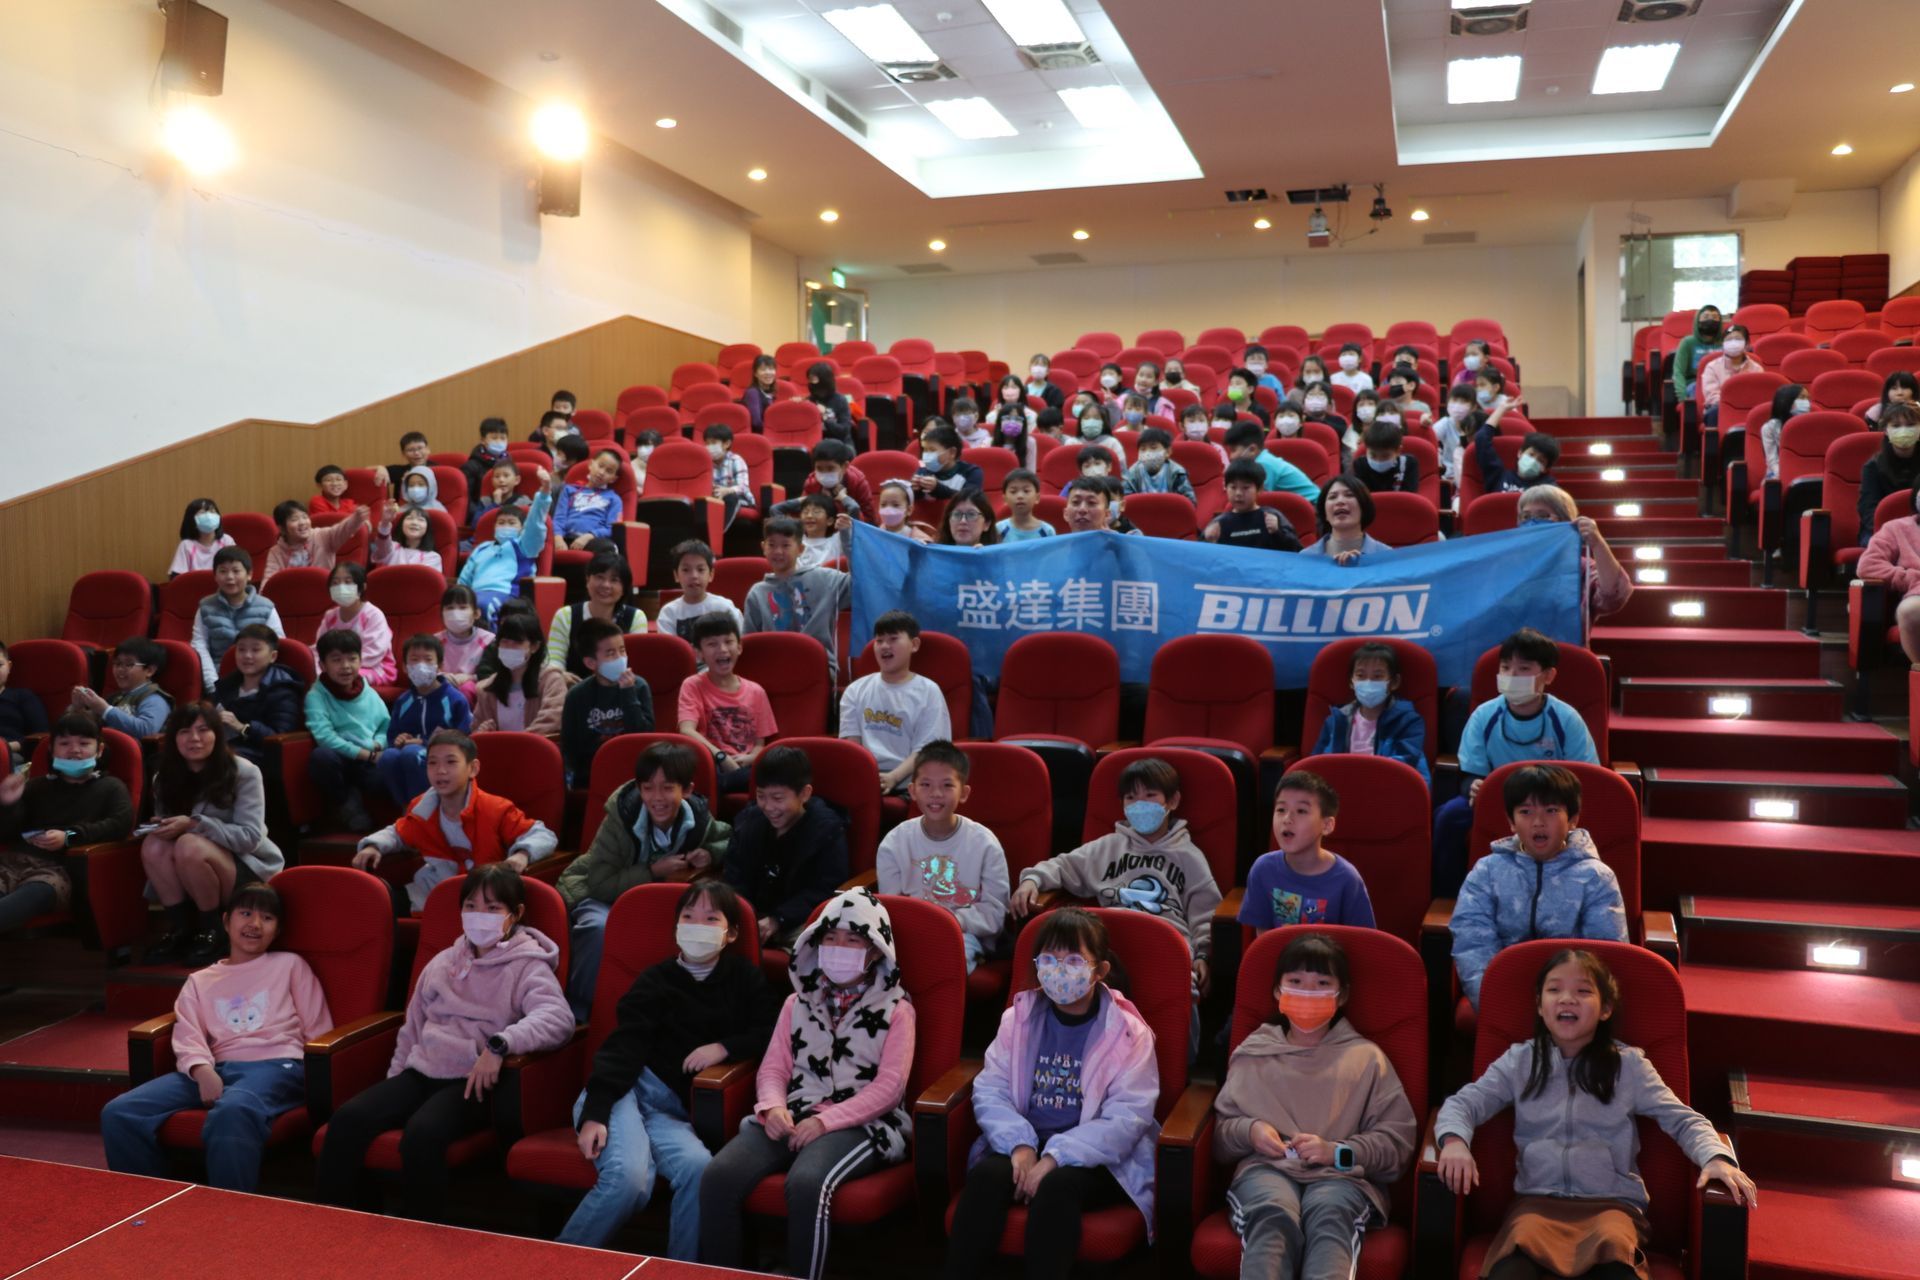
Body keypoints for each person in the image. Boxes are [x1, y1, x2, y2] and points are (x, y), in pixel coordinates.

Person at [1435, 948, 1756, 1280]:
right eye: (1554, 989)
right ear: (1540, 1006)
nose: (1567, 999)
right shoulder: (1520, 1061)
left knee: (1615, 1259)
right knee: (1510, 1267)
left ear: (1605, 1009)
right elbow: (1463, 1104)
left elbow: (1683, 1119)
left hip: (1611, 1207)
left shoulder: (1628, 1066)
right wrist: (1455, 1141)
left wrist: (1716, 1157)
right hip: (1536, 1205)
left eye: (1583, 991)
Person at [315, 864, 572, 1221]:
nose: (479, 915)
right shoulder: (442, 961)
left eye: (492, 908)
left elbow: (559, 1020)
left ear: (515, 914)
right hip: (422, 1070)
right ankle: (343, 1225)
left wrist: (501, 1044)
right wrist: (393, 1085)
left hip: (472, 1081)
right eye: (471, 906)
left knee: (423, 1134)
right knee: (347, 1120)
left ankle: (419, 1236)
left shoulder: (528, 964)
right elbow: (412, 1028)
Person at [699, 889, 915, 1280]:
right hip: (794, 1112)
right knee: (718, 1177)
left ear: (875, 951)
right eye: (830, 938)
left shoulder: (897, 1011)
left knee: (807, 1182)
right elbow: (772, 1069)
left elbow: (890, 1088)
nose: (839, 948)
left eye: (853, 940)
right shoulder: (795, 1003)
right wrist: (772, 1107)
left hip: (864, 1125)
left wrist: (826, 1122)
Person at [558, 881, 779, 1256]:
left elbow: (770, 1029)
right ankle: (558, 1263)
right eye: (688, 917)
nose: (697, 926)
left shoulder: (744, 978)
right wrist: (596, 1112)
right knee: (629, 1180)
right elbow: (622, 1048)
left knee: (699, 1169)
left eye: (710, 919)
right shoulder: (655, 980)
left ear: (731, 933)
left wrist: (723, 1047)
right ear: (676, 928)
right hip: (624, 1093)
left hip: (669, 1110)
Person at [940, 908, 1158, 1280]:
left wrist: (1056, 1156)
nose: (1059, 970)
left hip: (1098, 1158)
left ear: (1099, 970)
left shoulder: (1128, 1032)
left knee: (1056, 1189)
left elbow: (1127, 1118)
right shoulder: (1018, 1018)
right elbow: (991, 1089)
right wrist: (1020, 1145)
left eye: (1073, 960)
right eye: (1049, 960)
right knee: (987, 1177)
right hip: (1025, 1141)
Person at [100, 883, 332, 1192]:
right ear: (226, 921)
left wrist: (318, 1076)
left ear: (277, 930)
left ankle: (227, 1211)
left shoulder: (290, 965)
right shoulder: (200, 980)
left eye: (267, 918)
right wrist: (202, 1071)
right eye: (245, 914)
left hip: (278, 1066)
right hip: (217, 1067)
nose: (255, 924)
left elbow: (319, 1028)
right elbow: (188, 1033)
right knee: (119, 1112)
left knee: (233, 1110)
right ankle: (152, 1201)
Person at [1213, 933, 1418, 1280]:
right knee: (1272, 1213)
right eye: (1296, 982)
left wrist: (1337, 1151)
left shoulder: (1367, 1059)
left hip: (1340, 1178)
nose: (1307, 993)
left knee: (1330, 1214)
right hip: (1267, 1170)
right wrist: (1250, 1131)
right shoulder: (1254, 1052)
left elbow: (1396, 1146)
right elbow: (1220, 1139)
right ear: (1277, 990)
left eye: (1322, 984)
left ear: (1342, 995)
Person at [1007, 755, 1220, 998]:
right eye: (1131, 798)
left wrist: (1204, 955)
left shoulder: (1189, 856)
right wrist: (1032, 879)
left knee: (1182, 989)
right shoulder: (1108, 846)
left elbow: (1205, 913)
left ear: (1172, 801)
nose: (1140, 804)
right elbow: (1063, 865)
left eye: (1150, 795)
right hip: (1112, 940)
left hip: (1165, 942)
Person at [558, 740, 734, 1018]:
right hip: (600, 895)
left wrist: (710, 853)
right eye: (648, 788)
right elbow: (600, 884)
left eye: (667, 788)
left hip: (651, 903)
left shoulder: (698, 818)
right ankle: (581, 1012)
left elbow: (730, 839)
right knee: (599, 928)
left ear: (687, 790)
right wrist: (653, 871)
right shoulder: (620, 817)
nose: (657, 798)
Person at [1432, 630, 1601, 897]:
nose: (1512, 676)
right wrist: (1473, 787)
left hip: (1551, 804)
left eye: (1523, 669)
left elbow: (1586, 777)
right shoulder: (1484, 715)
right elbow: (1470, 774)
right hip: (1497, 799)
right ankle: (1448, 897)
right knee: (1449, 816)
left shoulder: (1566, 718)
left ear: (1548, 675)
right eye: (1505, 668)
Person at [1450, 766, 1628, 1010]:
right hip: (1502, 1000)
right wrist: (1494, 1004)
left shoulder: (1596, 877)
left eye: (1551, 811)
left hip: (1572, 1007)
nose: (1538, 822)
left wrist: (1567, 1009)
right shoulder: (1487, 872)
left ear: (1573, 820)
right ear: (1511, 822)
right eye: (1525, 812)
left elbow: (1605, 955)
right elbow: (1472, 945)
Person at [354, 730, 558, 915]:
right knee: (369, 904)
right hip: (433, 892)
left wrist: (522, 854)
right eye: (432, 763)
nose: (440, 771)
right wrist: (374, 846)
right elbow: (397, 833)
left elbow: (543, 835)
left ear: (473, 768)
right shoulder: (422, 809)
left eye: (451, 762)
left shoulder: (495, 808)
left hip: (482, 899)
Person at [141, 702, 285, 964]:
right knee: (154, 844)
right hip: (191, 868)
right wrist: (165, 826)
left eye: (203, 730)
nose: (194, 738)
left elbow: (250, 837)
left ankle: (214, 931)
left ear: (217, 735)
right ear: (173, 738)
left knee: (189, 844)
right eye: (185, 731)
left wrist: (195, 824)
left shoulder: (244, 772)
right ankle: (181, 929)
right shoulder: (164, 777)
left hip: (244, 866)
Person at [874, 740, 1008, 973]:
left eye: (947, 785)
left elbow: (994, 914)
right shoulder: (894, 842)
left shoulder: (985, 844)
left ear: (963, 793)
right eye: (925, 785)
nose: (935, 794)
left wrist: (950, 921)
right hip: (910, 932)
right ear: (912, 791)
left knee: (942, 964)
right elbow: (892, 909)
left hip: (965, 933)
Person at [0, 714, 133, 936]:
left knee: (36, 893)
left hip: (57, 871)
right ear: (51, 750)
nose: (74, 750)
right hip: (12, 862)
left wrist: (69, 837)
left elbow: (120, 824)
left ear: (99, 750)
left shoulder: (111, 787)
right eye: (64, 744)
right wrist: (8, 804)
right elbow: (7, 831)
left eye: (84, 743)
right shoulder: (36, 786)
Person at [722, 746, 849, 950]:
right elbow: (734, 876)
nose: (768, 807)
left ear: (804, 794)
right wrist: (745, 915)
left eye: (778, 798)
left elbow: (824, 888)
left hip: (799, 919)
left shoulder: (826, 830)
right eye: (761, 796)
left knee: (817, 946)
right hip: (748, 915)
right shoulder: (748, 822)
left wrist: (778, 919)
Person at [1239, 773, 1375, 932]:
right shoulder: (1263, 869)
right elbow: (1263, 936)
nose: (1287, 819)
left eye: (1301, 811)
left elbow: (1363, 940)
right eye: (1281, 809)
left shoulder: (1347, 879)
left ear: (1327, 825)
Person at [839, 611, 952, 793]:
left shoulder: (928, 691)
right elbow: (851, 747)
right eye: (879, 640)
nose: (884, 646)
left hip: (911, 783)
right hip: (864, 778)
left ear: (914, 645)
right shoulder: (855, 690)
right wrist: (866, 777)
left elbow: (928, 750)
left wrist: (894, 777)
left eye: (893, 639)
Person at [677, 613, 777, 793]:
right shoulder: (692, 685)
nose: (722, 649)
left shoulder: (756, 691)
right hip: (710, 764)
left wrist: (751, 758)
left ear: (739, 647)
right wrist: (721, 757)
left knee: (779, 771)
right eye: (712, 644)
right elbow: (686, 730)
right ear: (699, 653)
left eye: (728, 642)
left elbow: (759, 744)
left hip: (746, 766)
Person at [304, 628, 392, 833]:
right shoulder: (316, 695)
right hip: (341, 758)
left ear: (360, 661)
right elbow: (325, 737)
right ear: (322, 665)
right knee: (321, 757)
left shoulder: (366, 689)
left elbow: (385, 725)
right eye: (336, 660)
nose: (346, 666)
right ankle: (346, 804)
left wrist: (377, 744)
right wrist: (367, 755)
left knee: (388, 773)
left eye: (352, 659)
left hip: (369, 757)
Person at [1308, 642, 1430, 783]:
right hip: (1342, 787)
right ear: (1351, 682)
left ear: (1394, 682)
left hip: (1388, 786)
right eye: (1361, 675)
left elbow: (1404, 766)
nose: (1368, 682)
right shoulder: (1335, 721)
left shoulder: (1409, 721)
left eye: (1377, 676)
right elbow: (1316, 763)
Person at [743, 516, 850, 676]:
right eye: (772, 545)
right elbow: (749, 642)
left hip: (817, 667)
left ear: (800, 549)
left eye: (786, 545)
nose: (778, 551)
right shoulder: (757, 593)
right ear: (763, 547)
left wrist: (848, 540)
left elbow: (862, 585)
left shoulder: (825, 579)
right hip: (774, 669)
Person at [377, 636, 473, 808]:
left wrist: (424, 742)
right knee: (388, 757)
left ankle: (426, 810)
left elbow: (463, 735)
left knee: (411, 753)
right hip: (408, 752)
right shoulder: (403, 701)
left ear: (440, 666)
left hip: (443, 755)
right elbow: (392, 734)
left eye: (428, 660)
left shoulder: (455, 699)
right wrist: (398, 740)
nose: (421, 665)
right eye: (414, 660)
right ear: (405, 667)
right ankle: (408, 808)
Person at [560, 617, 655, 787]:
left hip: (634, 772)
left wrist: (628, 692)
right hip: (591, 774)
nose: (620, 658)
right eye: (611, 653)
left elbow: (643, 737)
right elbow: (570, 748)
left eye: (622, 650)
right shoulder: (576, 696)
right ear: (591, 662)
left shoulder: (639, 686)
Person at [1517, 486, 1633, 624]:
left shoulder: (1582, 568)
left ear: (1564, 522)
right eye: (1526, 517)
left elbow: (1612, 597)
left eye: (1543, 516)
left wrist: (1597, 543)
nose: (1533, 523)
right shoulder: (1507, 564)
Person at [458, 467, 558, 623]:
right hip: (475, 594)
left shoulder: (524, 545)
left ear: (521, 528)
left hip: (507, 595)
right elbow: (465, 579)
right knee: (454, 606)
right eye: (501, 522)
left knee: (482, 607)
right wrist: (458, 596)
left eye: (511, 523)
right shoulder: (482, 548)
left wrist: (544, 494)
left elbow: (535, 522)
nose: (505, 526)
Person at [208, 624, 304, 771]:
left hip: (259, 755)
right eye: (241, 649)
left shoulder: (282, 689)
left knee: (218, 761)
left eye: (255, 650)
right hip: (222, 747)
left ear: (273, 656)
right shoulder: (227, 685)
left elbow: (280, 737)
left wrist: (242, 727)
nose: (247, 655)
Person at [192, 547, 285, 688]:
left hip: (259, 679)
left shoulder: (266, 607)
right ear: (215, 576)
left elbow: (277, 643)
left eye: (236, 571)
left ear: (249, 574)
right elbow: (200, 646)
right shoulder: (205, 607)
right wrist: (213, 683)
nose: (229, 577)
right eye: (223, 571)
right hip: (219, 677)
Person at [546, 553, 646, 684]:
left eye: (614, 580)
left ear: (624, 588)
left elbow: (636, 666)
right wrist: (560, 675)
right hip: (572, 689)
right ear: (588, 580)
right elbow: (554, 661)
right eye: (600, 577)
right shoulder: (565, 615)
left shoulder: (636, 617)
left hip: (620, 689)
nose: (606, 585)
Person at [469, 613, 567, 739]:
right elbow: (476, 732)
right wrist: (483, 733)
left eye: (517, 642)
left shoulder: (551, 681)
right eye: (504, 641)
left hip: (535, 749)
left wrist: (518, 743)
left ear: (534, 646)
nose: (509, 647)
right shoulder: (487, 689)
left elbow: (552, 719)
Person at [1858, 472, 1920, 664]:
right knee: (1909, 611)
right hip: (1918, 595)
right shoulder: (1896, 528)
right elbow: (1868, 565)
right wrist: (1909, 578)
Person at [69, 637, 171, 738]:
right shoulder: (114, 697)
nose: (120, 669)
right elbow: (90, 727)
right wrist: (78, 709)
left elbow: (146, 730)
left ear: (149, 670)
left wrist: (106, 710)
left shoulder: (155, 699)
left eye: (129, 664)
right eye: (117, 664)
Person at [315, 561, 395, 686]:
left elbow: (374, 653)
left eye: (348, 582)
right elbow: (320, 648)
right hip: (335, 669)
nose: (341, 587)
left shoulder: (373, 615)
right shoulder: (330, 617)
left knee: (338, 680)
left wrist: (339, 667)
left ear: (362, 587)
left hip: (374, 668)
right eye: (335, 583)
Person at [654, 540, 746, 646]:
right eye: (686, 570)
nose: (694, 576)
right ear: (676, 575)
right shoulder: (669, 613)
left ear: (711, 574)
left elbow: (739, 643)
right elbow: (671, 650)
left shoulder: (724, 608)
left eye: (700, 570)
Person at [263, 499, 371, 584]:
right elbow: (269, 582)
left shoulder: (322, 536)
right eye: (294, 519)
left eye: (305, 517)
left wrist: (356, 518)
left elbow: (342, 530)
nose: (302, 522)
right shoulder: (276, 551)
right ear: (282, 528)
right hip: (293, 595)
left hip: (323, 591)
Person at [1205, 459, 1302, 551]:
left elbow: (1296, 550)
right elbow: (1204, 555)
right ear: (1226, 488)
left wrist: (1277, 532)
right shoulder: (1219, 523)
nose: (1238, 493)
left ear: (1260, 489)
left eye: (1246, 488)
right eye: (1233, 487)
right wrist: (1209, 541)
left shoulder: (1271, 516)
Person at [1859, 404, 1920, 547]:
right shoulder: (1873, 467)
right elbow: (1868, 511)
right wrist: (1895, 535)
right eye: (1896, 426)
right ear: (1886, 430)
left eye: (1910, 425)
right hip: (1881, 531)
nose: (1904, 430)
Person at [1302, 476, 1391, 566]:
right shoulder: (1305, 558)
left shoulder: (1386, 557)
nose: (1340, 501)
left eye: (1349, 495)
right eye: (1332, 497)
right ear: (1325, 513)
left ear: (1364, 507)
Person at [1226, 421, 1320, 503]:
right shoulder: (1262, 459)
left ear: (1252, 450)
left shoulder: (1264, 464)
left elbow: (1259, 499)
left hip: (1313, 506)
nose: (1231, 457)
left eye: (1233, 450)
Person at [436, 584, 494, 700]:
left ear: (476, 613)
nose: (456, 613)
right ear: (442, 614)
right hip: (441, 688)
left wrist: (470, 678)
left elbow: (491, 674)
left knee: (466, 688)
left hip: (473, 690)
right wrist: (441, 677)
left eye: (462, 608)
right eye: (450, 608)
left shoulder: (489, 640)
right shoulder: (435, 641)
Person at [1697, 324, 1760, 427]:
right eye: (1729, 339)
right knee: (1713, 413)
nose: (1733, 343)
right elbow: (1712, 396)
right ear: (1723, 344)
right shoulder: (1712, 367)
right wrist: (1732, 405)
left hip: (1749, 409)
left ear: (1747, 344)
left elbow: (1759, 395)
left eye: (1738, 339)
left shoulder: (1756, 368)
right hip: (1720, 409)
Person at [0, 640, 50, 764]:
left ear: (9, 667)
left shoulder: (22, 697)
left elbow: (41, 735)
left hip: (11, 753)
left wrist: (6, 747)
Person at [1668, 305, 1725, 409]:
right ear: (1698, 322)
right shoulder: (1687, 343)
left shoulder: (1725, 342)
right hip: (1695, 384)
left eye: (1715, 317)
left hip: (1720, 384)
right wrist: (1683, 398)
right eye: (1706, 317)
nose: (1710, 320)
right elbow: (1678, 372)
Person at [914, 421, 986, 499]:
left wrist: (937, 488)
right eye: (925, 450)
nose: (926, 455)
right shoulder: (922, 472)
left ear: (952, 452)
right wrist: (914, 490)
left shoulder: (971, 472)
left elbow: (969, 499)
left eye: (932, 450)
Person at [371, 503, 446, 575]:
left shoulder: (433, 557)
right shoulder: (392, 548)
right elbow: (382, 543)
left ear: (427, 528)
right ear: (401, 525)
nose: (414, 523)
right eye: (409, 518)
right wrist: (385, 523)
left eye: (421, 520)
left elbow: (428, 580)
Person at [1350, 419, 1421, 495]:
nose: (1378, 461)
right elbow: (1360, 495)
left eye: (1385, 456)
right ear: (1366, 450)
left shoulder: (1409, 464)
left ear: (1398, 451)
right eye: (1373, 455)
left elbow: (1410, 496)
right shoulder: (1359, 465)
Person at [1123, 427, 1196, 500]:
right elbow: (1125, 501)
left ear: (1167, 452)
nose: (1147, 453)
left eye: (1153, 448)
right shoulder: (1132, 474)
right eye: (1143, 449)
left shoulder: (1177, 473)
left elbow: (1189, 501)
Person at [170, 498, 234, 578]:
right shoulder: (186, 545)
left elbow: (236, 569)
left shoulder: (226, 541)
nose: (209, 516)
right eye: (202, 513)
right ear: (191, 520)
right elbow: (177, 577)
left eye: (212, 511)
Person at [1758, 382, 1810, 481]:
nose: (1807, 402)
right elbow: (1772, 461)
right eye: (1802, 398)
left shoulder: (1811, 425)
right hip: (1779, 476)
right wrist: (1788, 476)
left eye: (1808, 398)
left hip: (1805, 474)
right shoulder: (1769, 428)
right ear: (1787, 401)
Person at [803, 360, 856, 445]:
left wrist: (825, 416)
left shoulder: (840, 400)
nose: (811, 383)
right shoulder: (809, 401)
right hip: (817, 445)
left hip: (841, 444)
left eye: (813, 380)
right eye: (809, 380)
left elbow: (843, 432)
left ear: (824, 381)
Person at [459, 418, 514, 499]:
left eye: (503, 438)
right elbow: (467, 500)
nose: (499, 442)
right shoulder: (471, 467)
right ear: (483, 440)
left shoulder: (510, 463)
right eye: (494, 438)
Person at [996, 469, 1055, 542]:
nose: (1020, 496)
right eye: (1013, 492)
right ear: (1005, 499)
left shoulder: (1047, 531)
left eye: (1026, 491)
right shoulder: (999, 530)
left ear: (1037, 498)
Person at [1180, 404, 1231, 469]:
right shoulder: (1179, 450)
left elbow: (1226, 472)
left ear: (1208, 424)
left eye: (1201, 420)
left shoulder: (1217, 450)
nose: (1197, 425)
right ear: (1182, 426)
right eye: (1191, 421)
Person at [742, 353, 781, 430]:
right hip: (760, 433)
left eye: (771, 369)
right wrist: (776, 430)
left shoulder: (771, 391)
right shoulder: (752, 393)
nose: (768, 372)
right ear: (755, 373)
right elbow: (756, 423)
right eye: (763, 369)